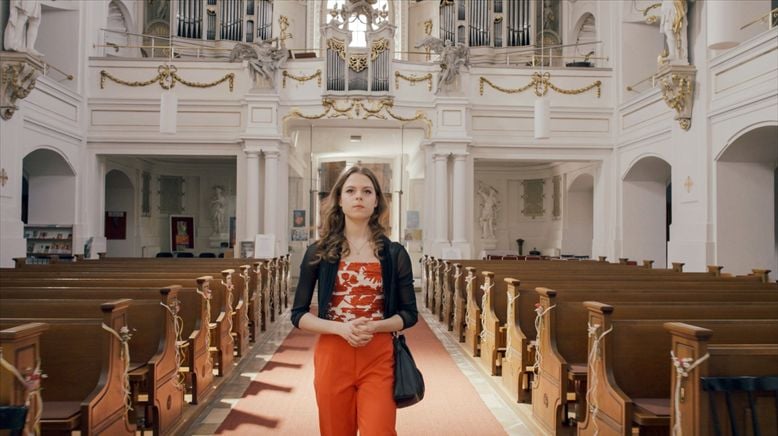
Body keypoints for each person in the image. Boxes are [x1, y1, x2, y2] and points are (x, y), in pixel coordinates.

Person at [291, 165, 418, 436]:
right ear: (339, 199)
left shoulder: (395, 254)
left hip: (379, 354)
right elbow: (298, 314)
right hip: (333, 353)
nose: (358, 196)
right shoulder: (318, 252)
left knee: (380, 431)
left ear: (376, 202)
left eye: (366, 191)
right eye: (351, 190)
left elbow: (409, 314)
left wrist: (374, 326)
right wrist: (340, 328)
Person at [660, 0, 688, 65]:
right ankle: (672, 53)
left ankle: (674, 54)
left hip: (673, 6)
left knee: (670, 30)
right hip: (667, 6)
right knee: (667, 31)